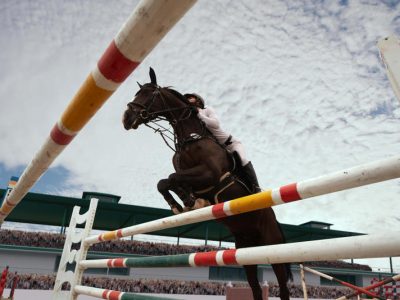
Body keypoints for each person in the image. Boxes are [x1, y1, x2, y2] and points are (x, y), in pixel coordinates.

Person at [184, 93, 261, 192]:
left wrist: (199, 114)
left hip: (232, 144)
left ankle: (256, 186)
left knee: (242, 160)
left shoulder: (206, 110)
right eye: (186, 99)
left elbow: (215, 124)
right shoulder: (193, 118)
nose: (188, 100)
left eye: (190, 97)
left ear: (198, 100)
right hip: (219, 149)